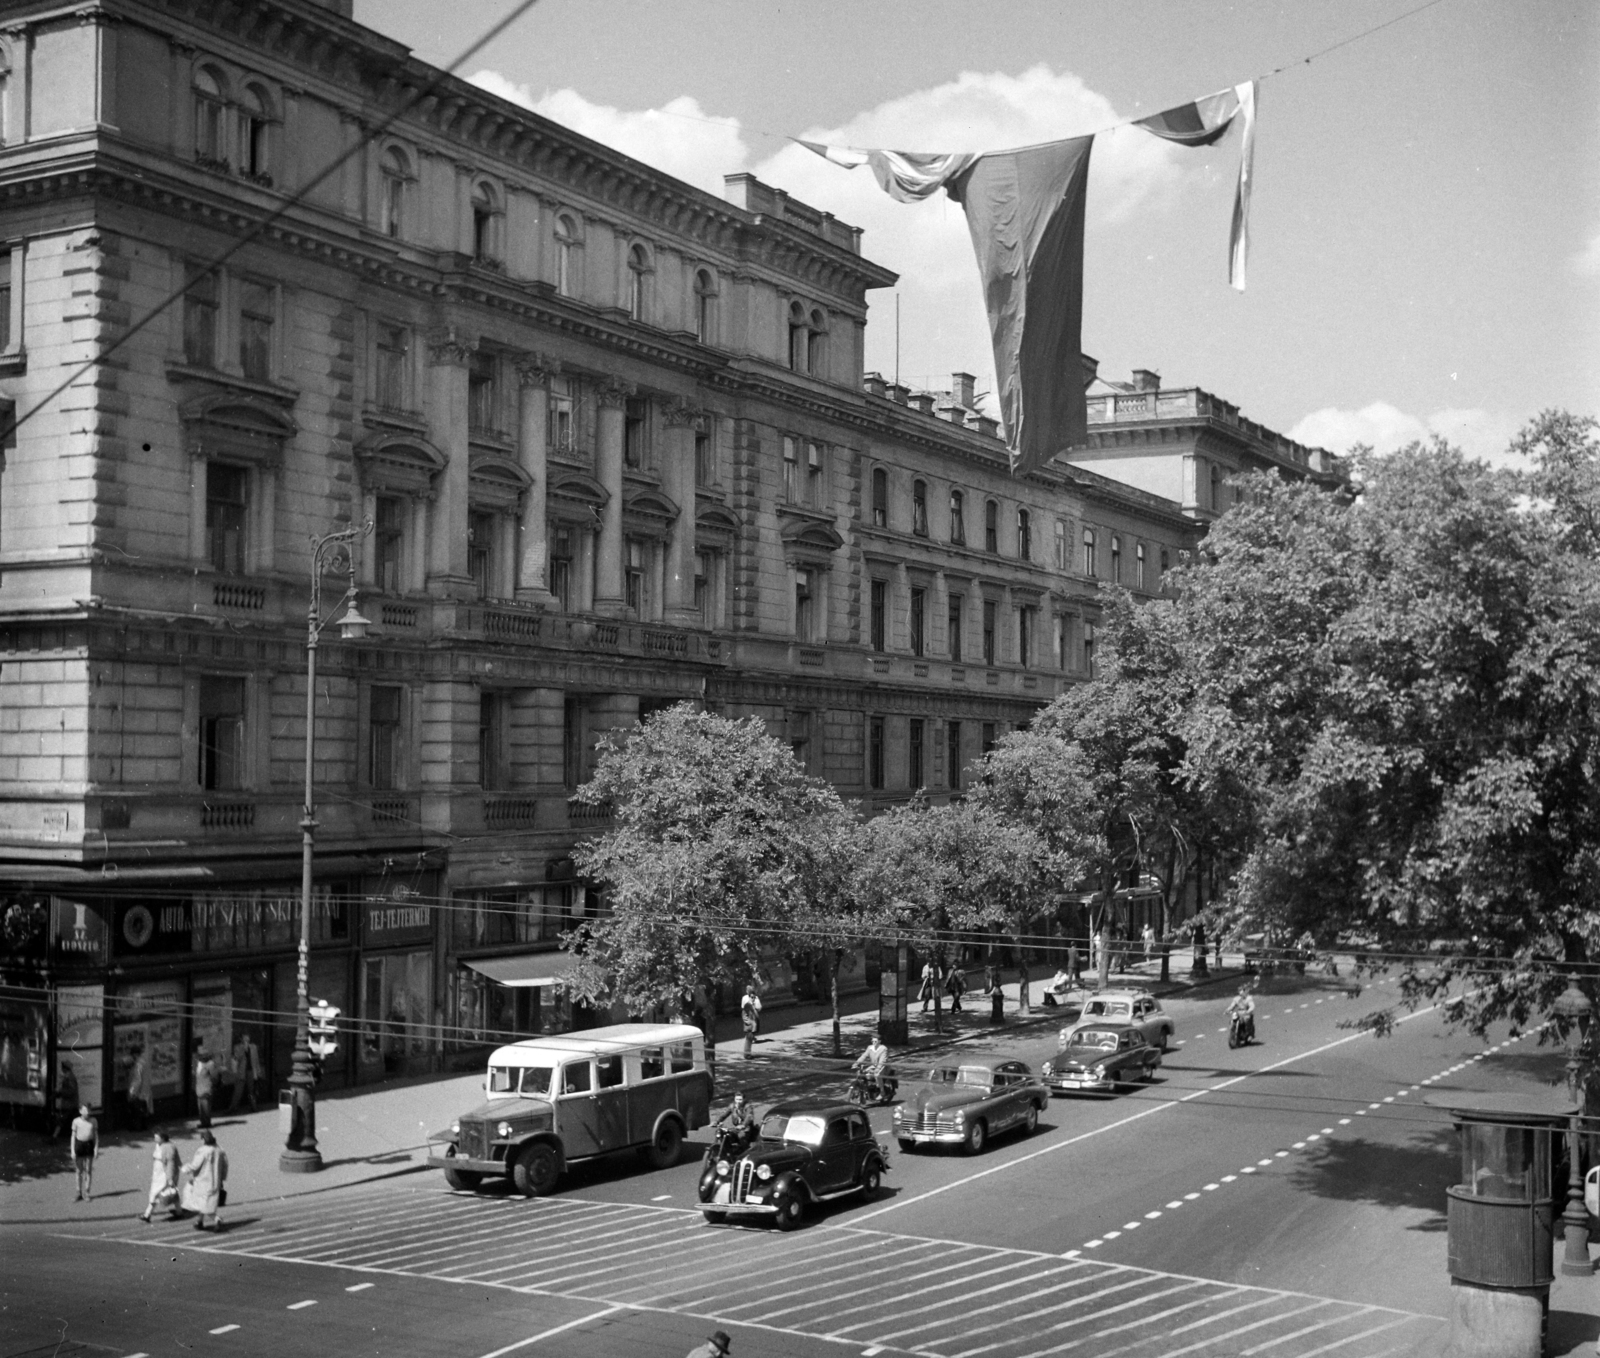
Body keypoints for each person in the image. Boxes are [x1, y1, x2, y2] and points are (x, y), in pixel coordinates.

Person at [181, 1129, 227, 1231]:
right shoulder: (219, 1149)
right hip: (215, 1182)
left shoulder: (202, 1151)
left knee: (201, 1204)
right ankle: (199, 1222)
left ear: (203, 1139)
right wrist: (222, 1179)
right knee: (206, 1203)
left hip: (203, 1182)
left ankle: (217, 1219)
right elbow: (225, 1165)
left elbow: (195, 1165)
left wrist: (185, 1169)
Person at [140, 1129, 180, 1222]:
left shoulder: (168, 1147)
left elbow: (170, 1164)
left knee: (156, 1193)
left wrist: (170, 1178)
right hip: (158, 1175)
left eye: (156, 1137)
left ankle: (147, 1214)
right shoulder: (159, 1145)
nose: (154, 1139)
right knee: (170, 1193)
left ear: (162, 1138)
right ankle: (179, 1211)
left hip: (164, 1175)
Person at [70, 1104, 98, 1201]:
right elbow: (73, 1137)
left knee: (88, 1170)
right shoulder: (76, 1121)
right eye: (85, 1110)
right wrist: (72, 1150)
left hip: (89, 1145)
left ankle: (87, 1192)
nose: (87, 1112)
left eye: (88, 1110)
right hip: (79, 1145)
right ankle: (78, 1192)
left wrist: (96, 1149)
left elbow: (95, 1136)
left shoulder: (93, 1121)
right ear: (80, 1111)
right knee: (79, 1170)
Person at [230, 1032, 260, 1113]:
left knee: (251, 1090)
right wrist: (244, 1049)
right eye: (245, 1038)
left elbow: (256, 1060)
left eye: (248, 1038)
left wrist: (257, 1072)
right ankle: (233, 1108)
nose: (246, 1039)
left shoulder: (254, 1047)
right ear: (242, 1039)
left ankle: (254, 1107)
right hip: (241, 1072)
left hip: (251, 1071)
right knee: (238, 1091)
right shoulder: (237, 1047)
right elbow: (236, 1059)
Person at [853, 1035, 890, 1099]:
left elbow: (882, 1061)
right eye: (872, 1041)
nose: (873, 1043)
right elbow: (863, 1056)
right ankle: (866, 1089)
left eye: (875, 1041)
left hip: (883, 1066)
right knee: (862, 1073)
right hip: (874, 1065)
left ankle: (882, 1093)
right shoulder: (870, 1048)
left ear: (879, 1041)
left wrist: (877, 1069)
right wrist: (856, 1063)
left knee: (877, 1075)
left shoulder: (883, 1049)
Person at [52, 1060, 79, 1140]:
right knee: (65, 1121)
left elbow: (71, 1091)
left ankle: (54, 1137)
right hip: (71, 1104)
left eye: (63, 1067)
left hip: (69, 1104)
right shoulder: (68, 1076)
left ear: (65, 1068)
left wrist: (60, 1092)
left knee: (61, 1121)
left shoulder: (69, 1078)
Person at [129, 1044, 154, 1130]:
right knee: (144, 1109)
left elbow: (137, 1080)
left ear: (135, 1054)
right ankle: (144, 1126)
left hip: (140, 1091)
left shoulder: (138, 1064)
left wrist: (132, 1091)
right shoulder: (145, 1062)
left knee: (137, 1110)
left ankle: (137, 1127)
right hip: (146, 1089)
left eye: (132, 1055)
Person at [194, 1046, 217, 1129]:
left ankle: (207, 1123)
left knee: (205, 1107)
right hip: (199, 1088)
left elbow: (214, 1076)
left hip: (206, 1088)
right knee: (201, 1107)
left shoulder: (210, 1064)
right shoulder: (198, 1063)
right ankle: (203, 1122)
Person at [740, 984, 761, 1057]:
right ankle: (747, 1054)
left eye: (754, 997)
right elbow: (744, 1015)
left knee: (750, 1039)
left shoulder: (752, 1005)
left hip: (752, 1026)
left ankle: (748, 1053)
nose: (753, 999)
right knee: (748, 1040)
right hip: (749, 1026)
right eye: (752, 997)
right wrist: (748, 1022)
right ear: (749, 997)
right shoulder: (748, 1005)